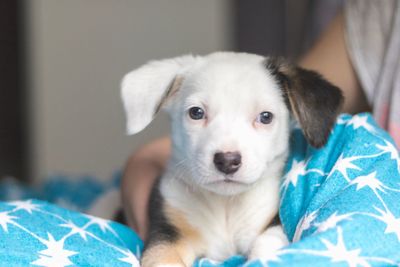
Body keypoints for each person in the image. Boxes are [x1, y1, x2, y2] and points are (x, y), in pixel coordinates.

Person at [121, 0, 400, 240]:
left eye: (264, 118)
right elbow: (272, 89)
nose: (229, 154)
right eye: (197, 113)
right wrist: (144, 158)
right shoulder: (381, 11)